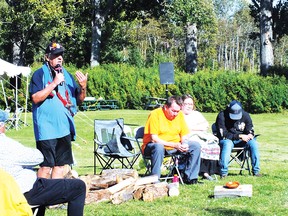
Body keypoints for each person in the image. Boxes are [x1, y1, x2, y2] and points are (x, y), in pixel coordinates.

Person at [0, 109, 86, 216]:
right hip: (22, 192)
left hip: (6, 195)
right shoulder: (7, 144)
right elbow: (38, 157)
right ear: (1, 126)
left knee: (43, 185)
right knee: (78, 186)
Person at [29, 41, 88, 179]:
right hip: (46, 129)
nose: (59, 57)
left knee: (60, 165)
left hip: (64, 127)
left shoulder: (66, 75)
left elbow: (79, 100)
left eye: (61, 54)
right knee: (46, 166)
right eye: (56, 55)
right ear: (47, 57)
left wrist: (83, 87)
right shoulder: (39, 74)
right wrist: (54, 83)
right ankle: (41, 196)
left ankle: (55, 198)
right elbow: (36, 98)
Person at [142, 95, 202, 184]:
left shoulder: (179, 115)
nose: (176, 114)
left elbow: (184, 134)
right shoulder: (155, 114)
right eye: (173, 111)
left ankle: (190, 178)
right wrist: (174, 145)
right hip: (153, 146)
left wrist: (184, 143)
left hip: (174, 146)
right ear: (166, 107)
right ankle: (155, 179)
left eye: (178, 111)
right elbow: (154, 139)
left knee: (195, 146)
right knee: (158, 147)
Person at [215, 100, 261, 178]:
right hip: (228, 140)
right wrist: (239, 136)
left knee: (253, 143)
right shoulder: (221, 115)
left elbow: (250, 129)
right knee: (227, 144)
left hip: (243, 140)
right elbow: (223, 134)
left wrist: (250, 134)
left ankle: (256, 171)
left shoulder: (246, 115)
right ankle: (223, 172)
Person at [181, 94, 220, 181]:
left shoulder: (196, 114)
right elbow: (184, 129)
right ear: (181, 104)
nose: (189, 106)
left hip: (199, 135)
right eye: (186, 104)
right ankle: (198, 171)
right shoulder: (179, 115)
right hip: (187, 137)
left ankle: (207, 171)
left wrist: (192, 128)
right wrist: (196, 128)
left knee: (213, 145)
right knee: (198, 145)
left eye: (191, 104)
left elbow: (205, 126)